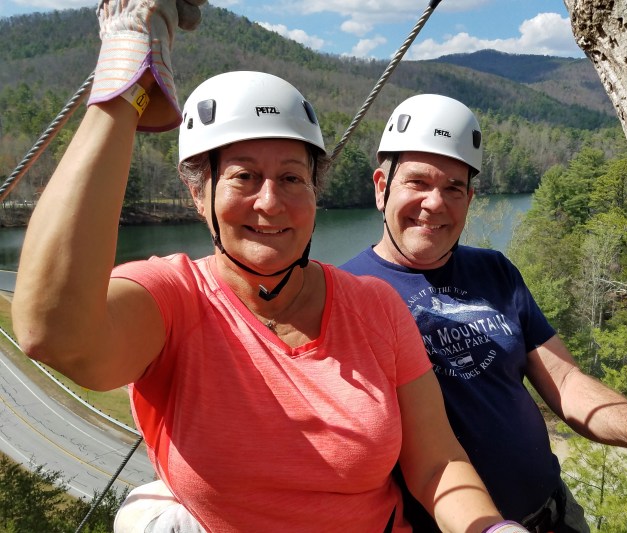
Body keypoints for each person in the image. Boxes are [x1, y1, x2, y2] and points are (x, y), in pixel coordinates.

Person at [10, 3, 535, 532]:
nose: (270, 202)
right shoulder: (174, 301)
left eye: (291, 178)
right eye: (243, 176)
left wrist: (489, 527)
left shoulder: (375, 307)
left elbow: (436, 462)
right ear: (198, 194)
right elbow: (54, 333)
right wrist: (124, 88)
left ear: (314, 192)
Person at [340, 94, 627, 532]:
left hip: (556, 514)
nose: (435, 203)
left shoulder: (494, 270)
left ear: (470, 198)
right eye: (417, 182)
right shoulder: (347, 296)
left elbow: (564, 382)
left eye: (454, 188)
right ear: (381, 187)